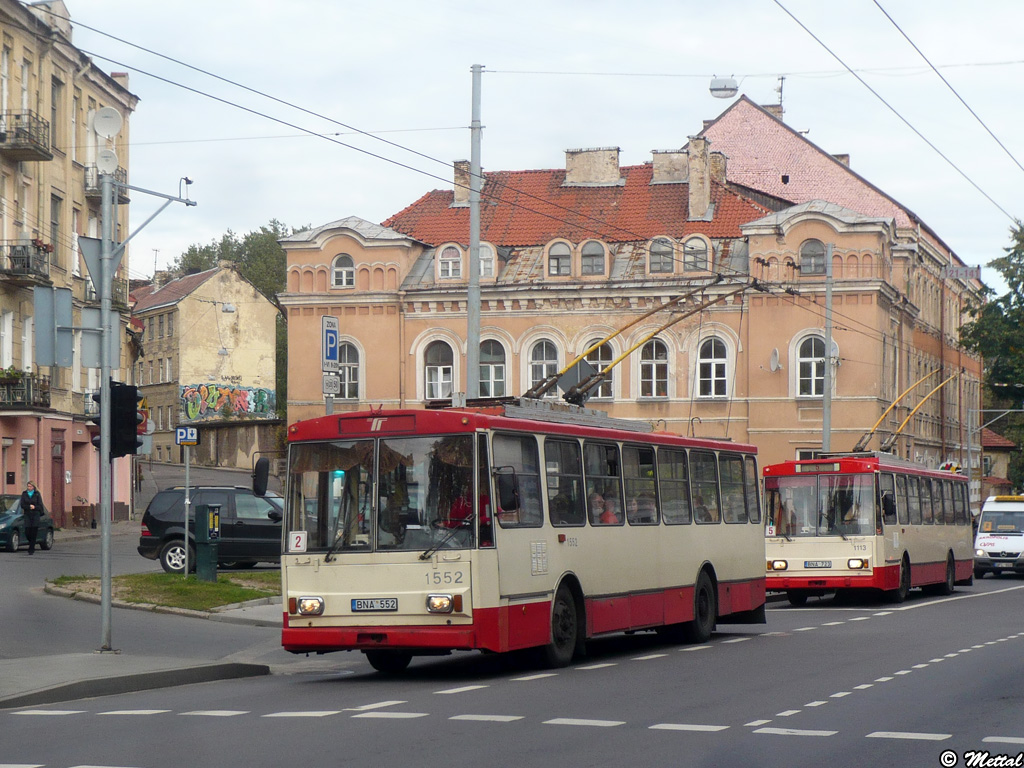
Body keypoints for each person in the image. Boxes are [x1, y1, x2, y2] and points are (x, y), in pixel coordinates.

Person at [20, 481, 43, 555]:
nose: (29, 488)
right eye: (28, 486)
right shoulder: (24, 494)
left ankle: (31, 548)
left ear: (33, 487)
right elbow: (22, 505)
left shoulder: (37, 494)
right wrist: (29, 507)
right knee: (27, 531)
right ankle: (31, 542)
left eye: (30, 486)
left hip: (35, 514)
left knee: (34, 531)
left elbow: (40, 505)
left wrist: (35, 507)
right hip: (27, 514)